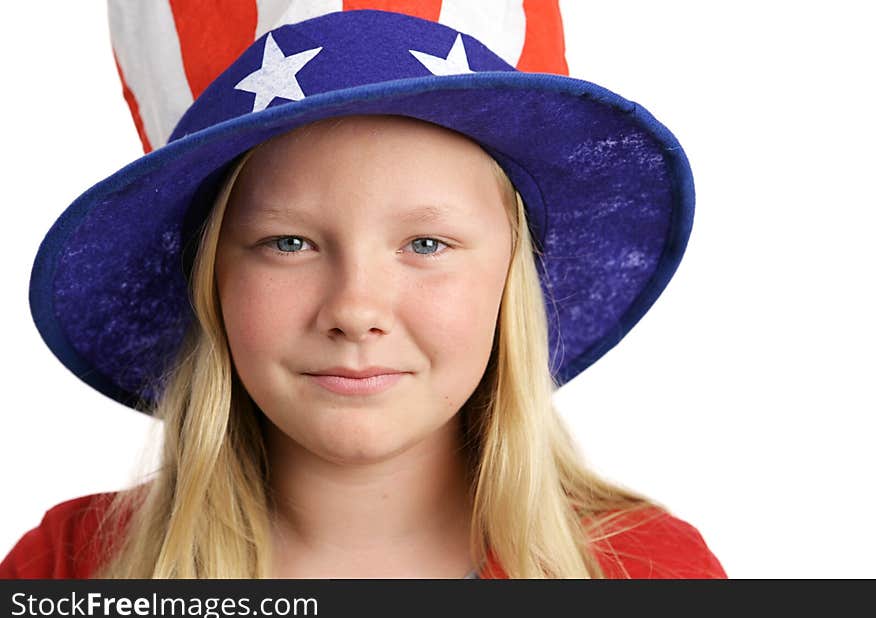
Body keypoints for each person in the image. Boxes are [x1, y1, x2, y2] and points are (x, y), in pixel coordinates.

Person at [0, 7, 725, 579]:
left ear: (513, 277)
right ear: (211, 277)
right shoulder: (69, 574)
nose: (354, 309)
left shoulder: (647, 573)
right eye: (289, 243)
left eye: (426, 244)